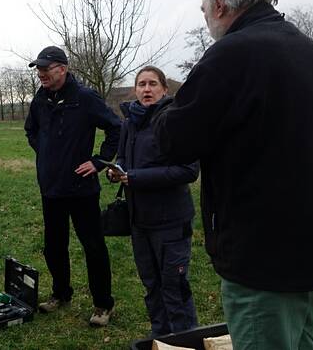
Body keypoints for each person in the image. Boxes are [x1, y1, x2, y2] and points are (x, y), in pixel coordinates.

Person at [153, 0, 313, 349]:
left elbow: (173, 141)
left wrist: (163, 108)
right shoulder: (308, 50)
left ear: (221, 5)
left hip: (264, 256)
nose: (206, 18)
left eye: (205, 9)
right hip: (311, 244)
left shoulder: (233, 54)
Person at [24, 45, 121, 327]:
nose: (41, 74)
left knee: (93, 246)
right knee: (54, 246)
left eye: (46, 69)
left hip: (81, 189)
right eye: (38, 69)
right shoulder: (40, 99)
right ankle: (60, 293)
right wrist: (43, 150)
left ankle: (103, 304)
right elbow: (31, 130)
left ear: (63, 69)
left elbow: (115, 127)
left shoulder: (85, 97)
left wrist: (100, 161)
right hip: (50, 188)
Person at [108, 66, 199, 337]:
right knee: (151, 285)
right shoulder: (129, 123)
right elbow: (123, 157)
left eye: (152, 84)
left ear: (164, 89)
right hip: (140, 222)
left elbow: (189, 170)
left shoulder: (176, 122)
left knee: (175, 288)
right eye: (141, 84)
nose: (146, 89)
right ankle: (160, 337)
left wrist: (135, 177)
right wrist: (117, 170)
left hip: (171, 224)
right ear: (135, 90)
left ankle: (184, 340)